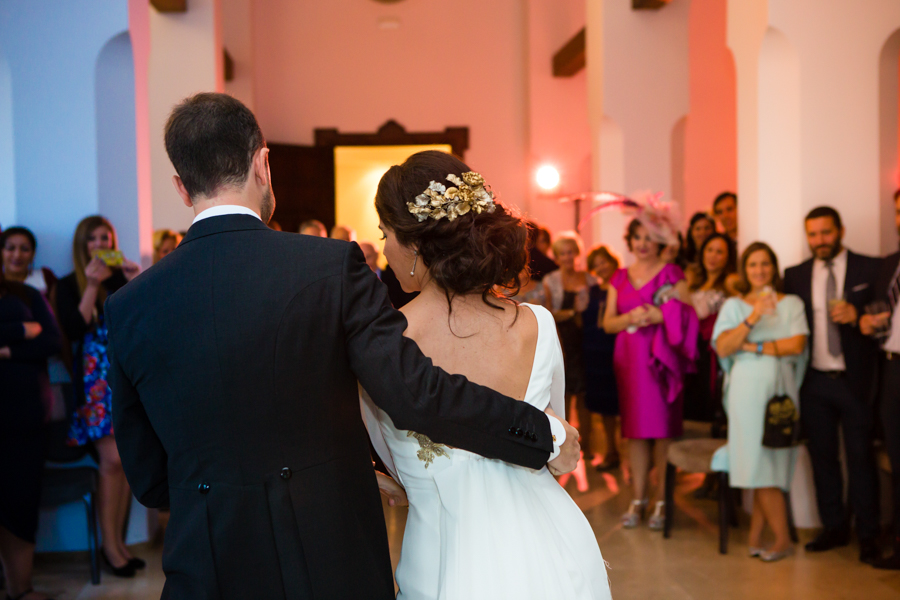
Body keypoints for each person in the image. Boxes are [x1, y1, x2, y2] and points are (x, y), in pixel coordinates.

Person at [106, 93, 580, 599]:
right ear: (262, 163)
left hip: (207, 569)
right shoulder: (329, 266)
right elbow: (415, 393)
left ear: (181, 186)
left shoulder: (129, 306)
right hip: (329, 563)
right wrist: (541, 432)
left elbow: (151, 479)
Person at [361, 150, 611, 600]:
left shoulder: (384, 348)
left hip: (444, 568)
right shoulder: (538, 325)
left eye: (384, 234)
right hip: (557, 558)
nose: (383, 249)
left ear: (415, 245)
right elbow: (557, 446)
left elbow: (393, 462)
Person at [783, 206, 881, 564]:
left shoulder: (870, 268)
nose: (819, 241)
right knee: (822, 460)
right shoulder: (794, 275)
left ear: (839, 230)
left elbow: (885, 314)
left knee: (860, 459)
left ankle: (868, 535)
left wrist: (860, 317)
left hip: (855, 382)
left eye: (825, 233)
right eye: (813, 235)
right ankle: (833, 528)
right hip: (814, 381)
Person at [56, 215, 142, 577]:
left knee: (123, 463)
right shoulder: (67, 284)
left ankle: (118, 544)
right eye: (92, 239)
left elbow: (143, 319)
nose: (99, 244)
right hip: (93, 386)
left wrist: (137, 280)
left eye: (105, 237)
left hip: (121, 379)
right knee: (111, 462)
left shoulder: (121, 279)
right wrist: (91, 285)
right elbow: (74, 330)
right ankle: (111, 547)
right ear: (82, 245)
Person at [713, 242, 808, 562]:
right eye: (752, 264)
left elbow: (796, 345)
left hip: (780, 391)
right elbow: (724, 348)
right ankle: (773, 537)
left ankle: (777, 538)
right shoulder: (735, 307)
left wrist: (752, 347)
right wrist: (753, 318)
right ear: (745, 270)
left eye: (765, 263)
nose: (759, 270)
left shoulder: (791, 303)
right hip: (744, 394)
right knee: (753, 459)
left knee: (771, 459)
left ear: (774, 267)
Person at [603, 217, 698, 530]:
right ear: (630, 241)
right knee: (634, 432)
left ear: (660, 241)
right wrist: (631, 316)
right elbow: (608, 324)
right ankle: (638, 498)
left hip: (662, 360)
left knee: (662, 432)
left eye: (649, 237)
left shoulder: (673, 273)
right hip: (629, 361)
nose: (643, 243)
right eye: (637, 237)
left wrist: (660, 314)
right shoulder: (618, 277)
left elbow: (688, 317)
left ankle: (662, 499)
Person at [0, 271, 62, 600]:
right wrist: (20, 331)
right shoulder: (22, 313)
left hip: (26, 420)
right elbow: (34, 336)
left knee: (21, 503)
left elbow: (51, 341)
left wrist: (7, 351)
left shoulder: (25, 294)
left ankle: (20, 590)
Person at [860, 189, 900, 570]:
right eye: (899, 212)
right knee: (896, 458)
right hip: (892, 368)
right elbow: (881, 315)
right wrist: (867, 324)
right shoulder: (890, 265)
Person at [543, 232, 597, 477]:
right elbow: (548, 314)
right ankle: (563, 448)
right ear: (556, 256)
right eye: (562, 253)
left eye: (570, 252)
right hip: (561, 340)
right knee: (561, 396)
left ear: (576, 254)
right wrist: (570, 313)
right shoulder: (550, 280)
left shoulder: (590, 279)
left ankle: (590, 447)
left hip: (585, 341)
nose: (567, 257)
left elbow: (595, 311)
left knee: (585, 396)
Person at [683, 233, 737, 425]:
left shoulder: (731, 283)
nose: (713, 256)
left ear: (728, 256)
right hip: (691, 347)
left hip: (712, 350)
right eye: (710, 250)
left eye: (719, 252)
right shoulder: (693, 282)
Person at [585, 246, 622, 472]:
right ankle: (612, 450)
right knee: (606, 407)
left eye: (604, 261)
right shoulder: (592, 291)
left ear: (613, 260)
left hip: (619, 350)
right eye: (596, 263)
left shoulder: (624, 285)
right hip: (596, 354)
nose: (601, 266)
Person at [682, 212, 717, 286]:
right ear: (691, 232)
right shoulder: (684, 256)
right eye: (698, 229)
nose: (702, 232)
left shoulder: (717, 254)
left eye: (707, 228)